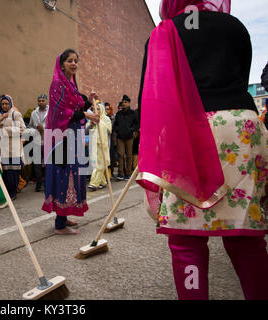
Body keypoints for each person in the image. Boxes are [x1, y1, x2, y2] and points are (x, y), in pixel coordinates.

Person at [137, 0, 268, 300]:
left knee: (186, 241)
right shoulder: (234, 27)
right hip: (242, 130)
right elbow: (238, 78)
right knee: (246, 239)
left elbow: (150, 95)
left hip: (188, 131)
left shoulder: (163, 33)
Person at [42, 48, 99, 235]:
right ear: (61, 64)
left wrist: (89, 102)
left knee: (72, 174)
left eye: (76, 60)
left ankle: (64, 216)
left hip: (73, 136)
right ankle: (59, 225)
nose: (74, 64)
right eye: (70, 61)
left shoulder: (71, 85)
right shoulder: (57, 84)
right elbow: (61, 113)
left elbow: (77, 106)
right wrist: (85, 114)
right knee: (63, 175)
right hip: (61, 138)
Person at [0, 94, 26, 200]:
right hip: (3, 149)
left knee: (13, 172)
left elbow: (22, 129)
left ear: (10, 104)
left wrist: (6, 130)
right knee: (6, 172)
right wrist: (0, 119)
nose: (4, 106)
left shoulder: (15, 114)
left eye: (6, 103)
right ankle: (7, 193)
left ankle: (13, 193)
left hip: (14, 148)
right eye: (2, 104)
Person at [113, 95, 139, 180]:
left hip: (129, 137)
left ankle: (128, 173)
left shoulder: (133, 113)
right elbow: (115, 124)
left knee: (129, 155)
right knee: (120, 154)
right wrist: (118, 130)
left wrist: (131, 130)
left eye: (125, 102)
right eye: (123, 102)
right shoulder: (119, 113)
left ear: (129, 103)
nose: (123, 104)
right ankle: (120, 173)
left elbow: (137, 124)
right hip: (120, 137)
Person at [87, 103, 112, 191]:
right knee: (95, 164)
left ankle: (93, 183)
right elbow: (86, 130)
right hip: (93, 146)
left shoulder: (106, 119)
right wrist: (91, 125)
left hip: (102, 145)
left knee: (99, 165)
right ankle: (103, 181)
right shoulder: (91, 119)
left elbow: (109, 131)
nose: (95, 111)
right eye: (94, 109)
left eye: (98, 109)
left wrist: (99, 123)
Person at [28, 94, 49, 192]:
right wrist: (36, 130)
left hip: (48, 141)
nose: (41, 102)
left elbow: (55, 125)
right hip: (37, 142)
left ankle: (47, 184)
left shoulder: (51, 112)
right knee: (37, 164)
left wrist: (43, 129)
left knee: (47, 164)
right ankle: (39, 184)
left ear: (46, 101)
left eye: (43, 101)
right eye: (39, 101)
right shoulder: (33, 113)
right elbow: (29, 126)